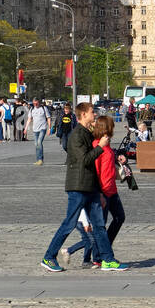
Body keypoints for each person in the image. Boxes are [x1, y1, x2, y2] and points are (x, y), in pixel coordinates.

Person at [40, 102, 128, 272]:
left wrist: (100, 192)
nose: (94, 115)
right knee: (69, 224)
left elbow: (93, 165)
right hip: (78, 187)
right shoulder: (77, 135)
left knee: (99, 224)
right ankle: (49, 257)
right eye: (91, 112)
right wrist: (101, 147)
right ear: (83, 115)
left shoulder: (87, 133)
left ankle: (107, 259)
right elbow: (85, 160)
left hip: (91, 188)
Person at [65, 115, 126, 267]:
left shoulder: (107, 145)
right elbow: (95, 171)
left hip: (112, 189)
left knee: (119, 218)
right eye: (111, 126)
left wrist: (118, 158)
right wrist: (99, 193)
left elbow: (109, 160)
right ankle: (99, 257)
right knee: (100, 225)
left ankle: (106, 249)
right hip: (103, 191)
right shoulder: (96, 145)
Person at [29, 99, 50, 165]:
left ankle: (40, 159)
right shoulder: (32, 109)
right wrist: (26, 128)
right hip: (35, 129)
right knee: (36, 144)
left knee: (39, 142)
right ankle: (38, 160)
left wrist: (49, 128)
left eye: (36, 102)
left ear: (39, 102)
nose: (35, 104)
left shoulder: (44, 108)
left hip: (43, 128)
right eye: (34, 103)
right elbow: (29, 119)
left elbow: (48, 118)